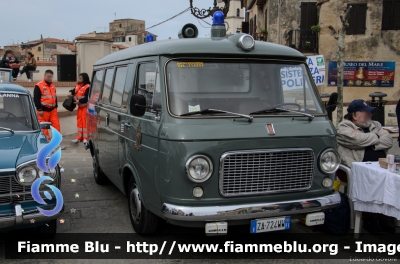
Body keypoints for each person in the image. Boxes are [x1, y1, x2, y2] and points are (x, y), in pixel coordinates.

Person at [337, 99, 395, 233]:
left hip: (379, 167)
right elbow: (355, 140)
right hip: (356, 170)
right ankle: (369, 218)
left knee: (390, 181)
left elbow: (388, 141)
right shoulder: (343, 127)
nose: (370, 115)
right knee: (372, 180)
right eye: (366, 113)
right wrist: (376, 136)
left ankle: (383, 217)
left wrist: (369, 141)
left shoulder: (375, 125)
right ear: (355, 116)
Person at [34, 70, 61, 141]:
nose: (50, 78)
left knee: (56, 126)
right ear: (45, 76)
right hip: (43, 111)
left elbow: (55, 96)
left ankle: (56, 142)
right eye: (48, 77)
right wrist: (39, 109)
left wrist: (56, 107)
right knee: (43, 128)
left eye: (51, 77)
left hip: (52, 110)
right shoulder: (39, 85)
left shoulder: (52, 85)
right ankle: (45, 142)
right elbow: (36, 98)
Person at [69, 73, 90, 144]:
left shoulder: (88, 87)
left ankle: (86, 138)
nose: (79, 79)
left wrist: (79, 101)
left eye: (80, 78)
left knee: (85, 123)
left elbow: (87, 98)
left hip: (85, 107)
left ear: (84, 79)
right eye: (79, 78)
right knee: (79, 122)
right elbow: (74, 90)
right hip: (80, 107)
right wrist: (70, 92)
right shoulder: (78, 86)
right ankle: (79, 137)